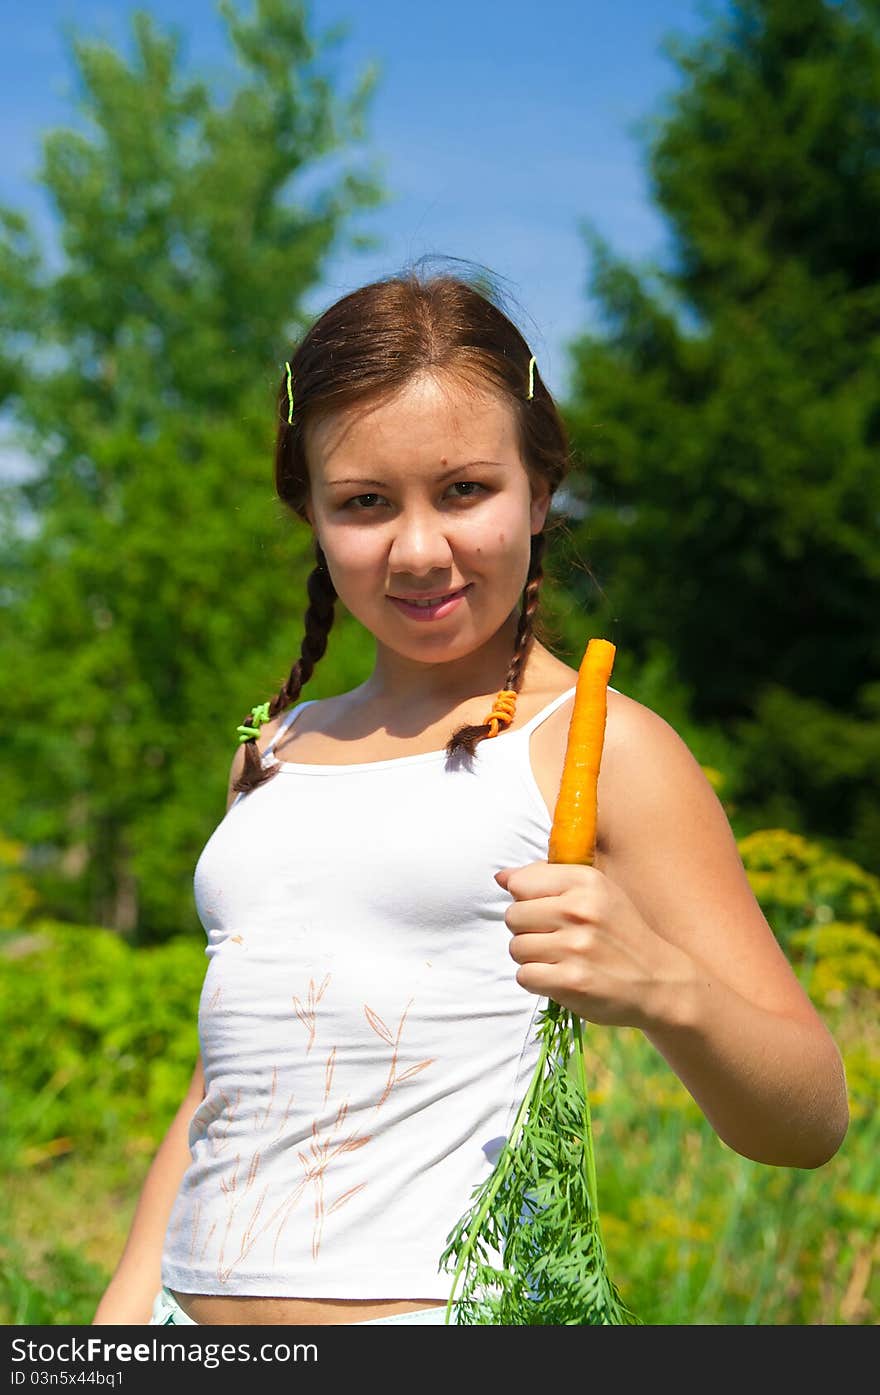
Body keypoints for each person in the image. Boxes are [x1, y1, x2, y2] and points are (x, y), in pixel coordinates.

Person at [92, 263, 849, 1328]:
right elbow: (232, 1075)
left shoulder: (598, 745)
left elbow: (809, 1117)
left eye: (463, 490)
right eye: (362, 503)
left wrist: (663, 986)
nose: (418, 549)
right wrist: (124, 1312)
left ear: (540, 491)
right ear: (306, 511)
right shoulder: (272, 750)